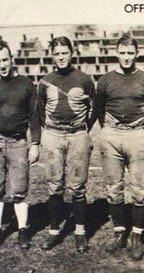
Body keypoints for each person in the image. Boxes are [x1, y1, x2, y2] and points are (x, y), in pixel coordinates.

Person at [95, 35, 144, 260]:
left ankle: (137, 235)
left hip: (138, 134)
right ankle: (120, 232)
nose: (126, 57)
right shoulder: (104, 80)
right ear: (116, 53)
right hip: (111, 134)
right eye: (122, 53)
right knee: (113, 187)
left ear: (137, 54)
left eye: (130, 53)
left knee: (140, 189)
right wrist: (109, 132)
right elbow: (99, 109)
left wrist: (143, 135)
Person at [38, 36, 96, 253]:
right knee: (54, 185)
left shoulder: (84, 79)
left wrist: (80, 130)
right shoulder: (45, 81)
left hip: (77, 136)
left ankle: (80, 232)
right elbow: (41, 110)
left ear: (72, 53)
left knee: (78, 187)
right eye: (57, 54)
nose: (61, 57)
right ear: (52, 55)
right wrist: (53, 131)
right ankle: (54, 231)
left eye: (64, 53)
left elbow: (93, 109)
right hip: (53, 135)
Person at [0, 40, 40, 249]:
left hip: (18, 142)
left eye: (5, 60)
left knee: (19, 188)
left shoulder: (25, 84)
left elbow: (34, 116)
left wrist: (35, 145)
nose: (2, 65)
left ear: (11, 59)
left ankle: (23, 229)